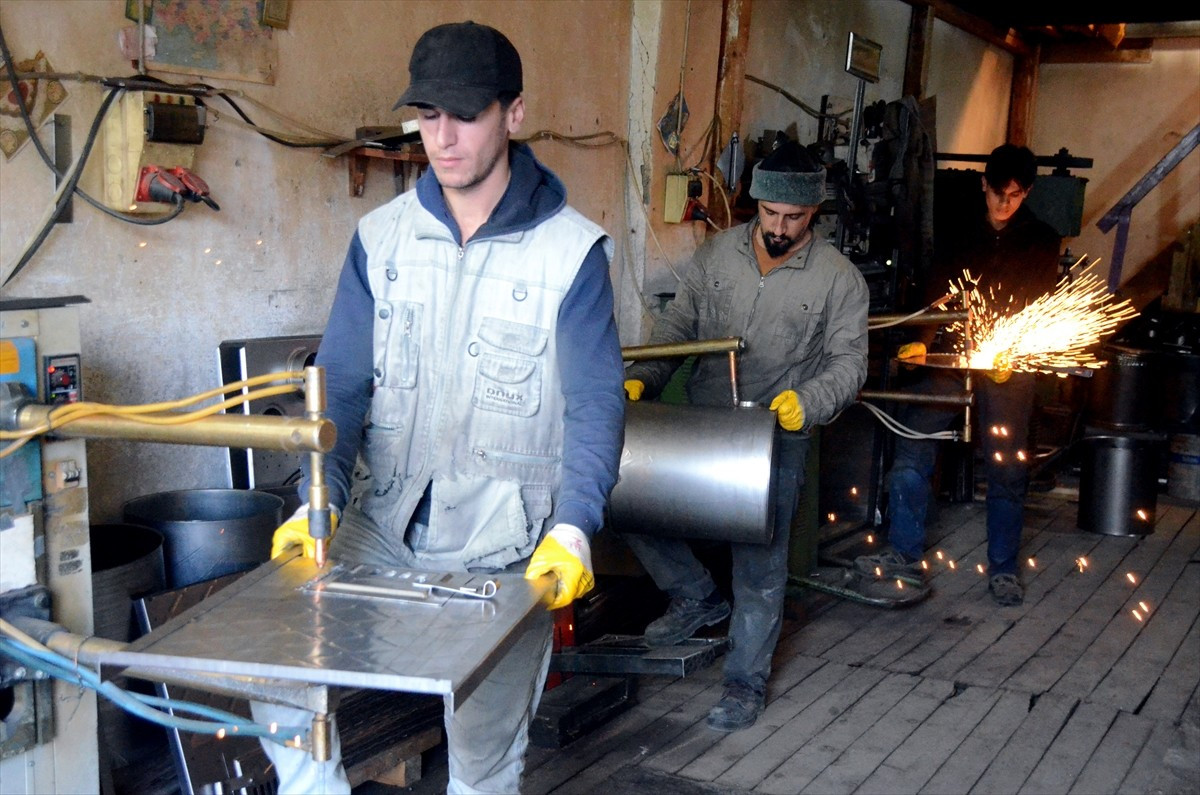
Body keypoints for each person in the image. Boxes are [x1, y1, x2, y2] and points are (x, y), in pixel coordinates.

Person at [259, 21, 625, 793]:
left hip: (500, 550)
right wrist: (311, 502)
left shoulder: (571, 255)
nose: (444, 137)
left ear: (514, 114)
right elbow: (344, 384)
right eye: (428, 116)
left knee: (484, 763)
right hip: (376, 527)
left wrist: (573, 526)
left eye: (466, 114)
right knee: (276, 668)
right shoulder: (379, 240)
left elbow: (595, 404)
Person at [622, 141, 869, 732]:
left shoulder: (839, 280)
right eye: (770, 215)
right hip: (704, 425)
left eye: (794, 219)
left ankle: (743, 684)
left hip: (772, 433)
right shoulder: (715, 257)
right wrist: (642, 379)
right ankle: (697, 595)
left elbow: (849, 363)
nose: (780, 228)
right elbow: (677, 327)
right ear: (755, 203)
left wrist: (805, 403)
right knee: (621, 501)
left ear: (815, 215)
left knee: (759, 567)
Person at [855, 143, 1062, 607]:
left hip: (1009, 363)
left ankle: (1004, 570)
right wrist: (924, 342)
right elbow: (937, 293)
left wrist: (1015, 349)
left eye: (1015, 195)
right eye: (997, 193)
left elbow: (1039, 306)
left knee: (1007, 467)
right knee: (912, 443)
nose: (1004, 204)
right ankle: (903, 553)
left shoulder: (1041, 241)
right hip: (951, 354)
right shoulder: (958, 232)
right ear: (983, 185)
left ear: (1026, 192)